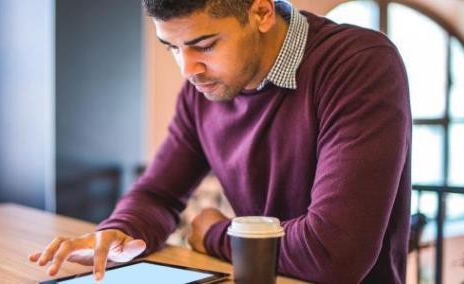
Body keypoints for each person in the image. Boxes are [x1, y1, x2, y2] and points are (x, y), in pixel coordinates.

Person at [29, 0, 412, 282]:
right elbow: (158, 194)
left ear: (260, 12)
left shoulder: (359, 64)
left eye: (205, 44)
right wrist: (120, 230)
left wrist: (214, 233)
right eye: (172, 48)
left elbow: (333, 253)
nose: (188, 69)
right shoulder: (203, 90)